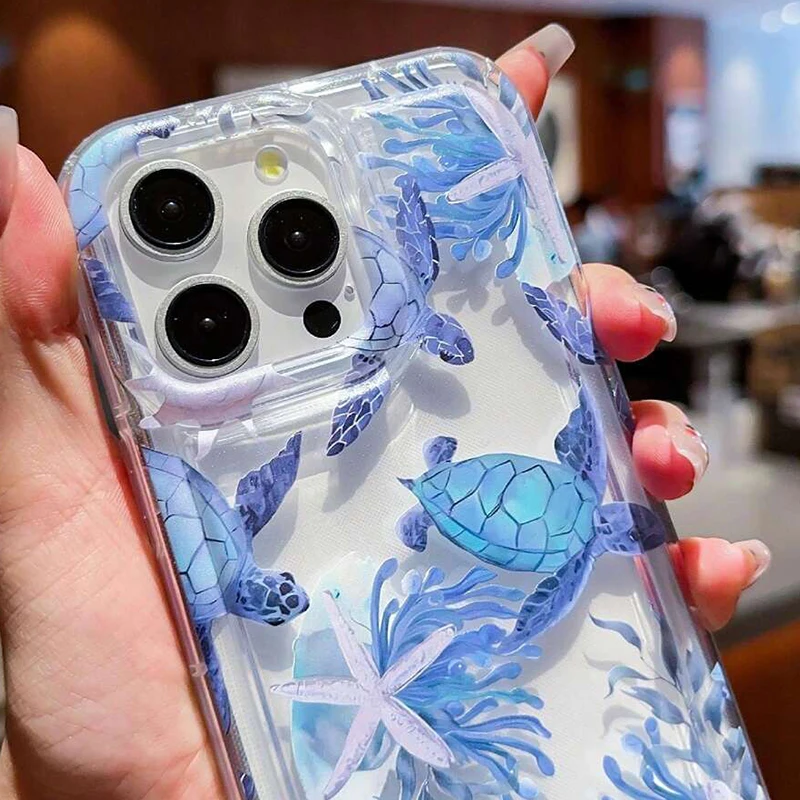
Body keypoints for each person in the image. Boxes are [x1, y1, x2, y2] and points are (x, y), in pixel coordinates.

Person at [0, 24, 771, 800]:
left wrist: (539, 329)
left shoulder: (553, 484)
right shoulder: (418, 316)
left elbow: (572, 460)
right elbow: (558, 456)